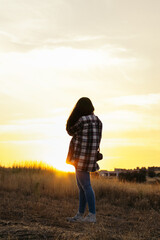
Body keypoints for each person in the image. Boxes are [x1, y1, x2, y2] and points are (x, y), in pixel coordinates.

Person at [66, 97, 102, 223]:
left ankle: (92, 215)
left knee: (86, 186)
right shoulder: (98, 120)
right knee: (82, 187)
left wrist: (72, 116)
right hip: (90, 157)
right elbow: (99, 139)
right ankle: (80, 214)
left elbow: (70, 131)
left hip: (80, 157)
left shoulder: (81, 120)